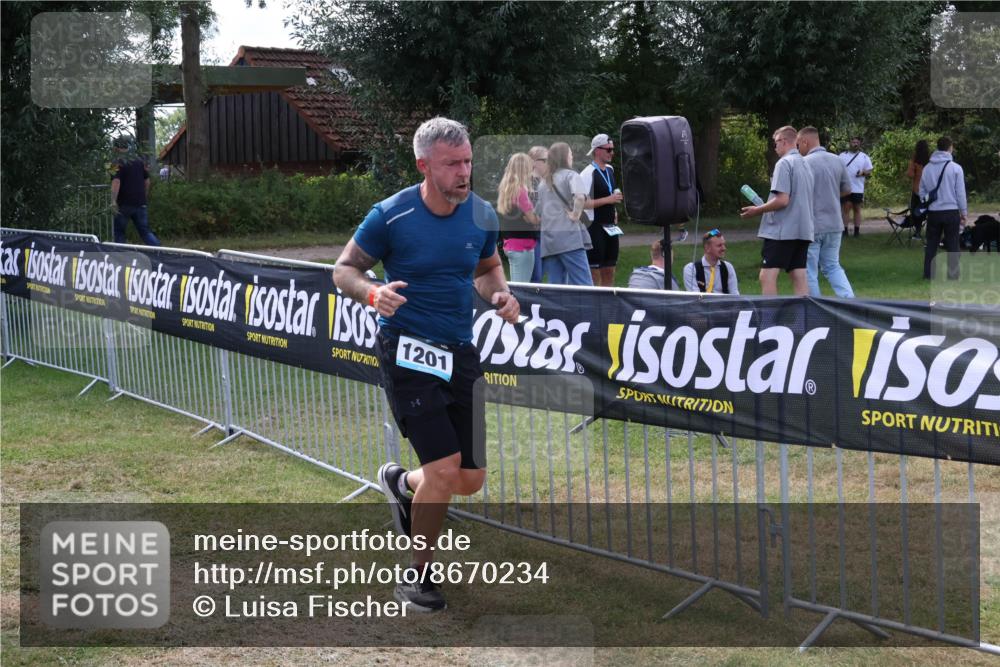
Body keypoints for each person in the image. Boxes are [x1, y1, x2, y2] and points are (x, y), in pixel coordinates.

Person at [332, 117, 520, 612]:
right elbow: (344, 270)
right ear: (424, 165)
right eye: (451, 164)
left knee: (470, 479)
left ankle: (401, 483)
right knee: (443, 468)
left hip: (459, 353)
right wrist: (372, 292)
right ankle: (418, 578)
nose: (464, 172)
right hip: (408, 354)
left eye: (468, 162)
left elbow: (486, 268)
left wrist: (500, 292)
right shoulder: (390, 216)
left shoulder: (480, 214)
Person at [740, 125, 814, 296]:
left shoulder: (784, 163)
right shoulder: (806, 164)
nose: (775, 147)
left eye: (775, 143)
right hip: (803, 230)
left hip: (782, 231)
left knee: (767, 276)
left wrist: (757, 210)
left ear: (784, 141)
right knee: (799, 274)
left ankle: (770, 319)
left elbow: (782, 200)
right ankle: (804, 319)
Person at [798, 127, 854, 298]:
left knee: (809, 270)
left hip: (813, 226)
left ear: (805, 142)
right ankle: (849, 301)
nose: (798, 149)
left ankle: (816, 308)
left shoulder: (804, 163)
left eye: (798, 145)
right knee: (832, 266)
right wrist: (830, 194)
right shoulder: (837, 160)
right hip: (835, 224)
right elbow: (847, 190)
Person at [538, 142, 593, 285]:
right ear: (564, 157)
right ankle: (587, 308)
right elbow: (580, 197)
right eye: (570, 153)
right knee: (584, 284)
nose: (572, 156)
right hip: (569, 239)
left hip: (549, 241)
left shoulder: (544, 182)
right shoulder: (571, 175)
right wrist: (575, 214)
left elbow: (538, 213)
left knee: (556, 287)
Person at [580, 133, 624, 286]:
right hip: (595, 226)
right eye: (609, 149)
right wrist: (609, 200)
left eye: (612, 149)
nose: (612, 153)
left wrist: (614, 210)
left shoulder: (610, 169)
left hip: (611, 225)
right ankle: (594, 301)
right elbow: (582, 203)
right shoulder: (587, 173)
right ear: (597, 151)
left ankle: (607, 301)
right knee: (595, 269)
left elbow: (610, 193)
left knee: (610, 267)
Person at [920, 136, 967, 280]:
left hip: (934, 212)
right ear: (950, 147)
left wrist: (926, 204)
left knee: (932, 244)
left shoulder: (927, 168)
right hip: (951, 210)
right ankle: (953, 275)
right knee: (953, 243)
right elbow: (960, 193)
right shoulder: (956, 168)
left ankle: (928, 274)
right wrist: (963, 212)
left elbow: (921, 192)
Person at [496, 152, 540, 282]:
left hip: (511, 244)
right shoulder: (521, 191)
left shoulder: (507, 189)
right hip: (523, 246)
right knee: (521, 289)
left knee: (518, 286)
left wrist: (529, 218)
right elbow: (533, 219)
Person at [110, 136, 160, 246]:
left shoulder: (116, 162)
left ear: (116, 148)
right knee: (145, 232)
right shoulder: (139, 160)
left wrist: (113, 201)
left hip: (124, 204)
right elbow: (147, 181)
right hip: (140, 202)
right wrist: (144, 196)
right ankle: (160, 252)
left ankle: (120, 258)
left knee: (119, 232)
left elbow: (116, 181)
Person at [682, 229, 739, 294]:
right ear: (707, 248)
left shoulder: (728, 267)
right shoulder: (691, 269)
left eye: (724, 244)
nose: (724, 248)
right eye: (719, 245)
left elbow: (735, 295)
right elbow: (695, 298)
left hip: (724, 304)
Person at [839, 136, 873, 237]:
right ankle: (844, 231)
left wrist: (862, 173)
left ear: (860, 144)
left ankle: (856, 232)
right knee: (846, 208)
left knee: (857, 209)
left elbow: (869, 171)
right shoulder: (842, 155)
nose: (855, 144)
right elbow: (837, 169)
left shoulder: (864, 156)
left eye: (857, 142)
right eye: (853, 142)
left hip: (858, 188)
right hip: (846, 187)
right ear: (850, 143)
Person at [527, 146, 548, 282]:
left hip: (547, 234)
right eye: (545, 160)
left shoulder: (547, 181)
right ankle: (529, 303)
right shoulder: (526, 182)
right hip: (533, 236)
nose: (548, 163)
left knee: (543, 274)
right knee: (536, 277)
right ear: (534, 162)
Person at [905, 139, 931, 238]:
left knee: (916, 211)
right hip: (929, 190)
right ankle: (931, 232)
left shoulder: (915, 160)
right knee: (928, 211)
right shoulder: (930, 160)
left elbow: (910, 174)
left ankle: (918, 231)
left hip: (917, 190)